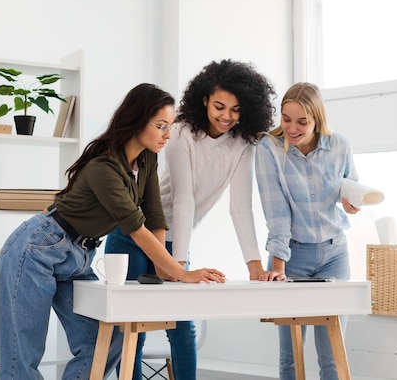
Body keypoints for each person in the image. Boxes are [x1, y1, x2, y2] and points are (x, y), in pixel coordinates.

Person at [0, 83, 226, 380]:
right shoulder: (103, 167)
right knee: (22, 358)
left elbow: (154, 214)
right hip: (37, 248)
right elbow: (136, 228)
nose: (168, 135)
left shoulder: (146, 158)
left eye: (170, 126)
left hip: (79, 256)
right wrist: (181, 272)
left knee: (107, 341)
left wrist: (163, 268)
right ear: (137, 120)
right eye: (161, 126)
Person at [105, 59, 276, 379]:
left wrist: (254, 265)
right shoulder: (180, 132)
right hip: (134, 235)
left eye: (236, 109)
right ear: (204, 100)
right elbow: (183, 200)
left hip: (174, 243)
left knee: (183, 330)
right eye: (219, 106)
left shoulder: (243, 145)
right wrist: (178, 265)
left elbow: (240, 206)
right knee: (134, 330)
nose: (226, 116)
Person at [254, 82, 361, 380]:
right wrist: (278, 266)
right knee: (292, 354)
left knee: (331, 353)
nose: (292, 128)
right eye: (286, 119)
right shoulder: (269, 149)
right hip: (292, 257)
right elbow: (276, 212)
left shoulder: (340, 145)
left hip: (334, 254)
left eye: (302, 121)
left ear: (317, 119)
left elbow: (350, 188)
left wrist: (352, 202)